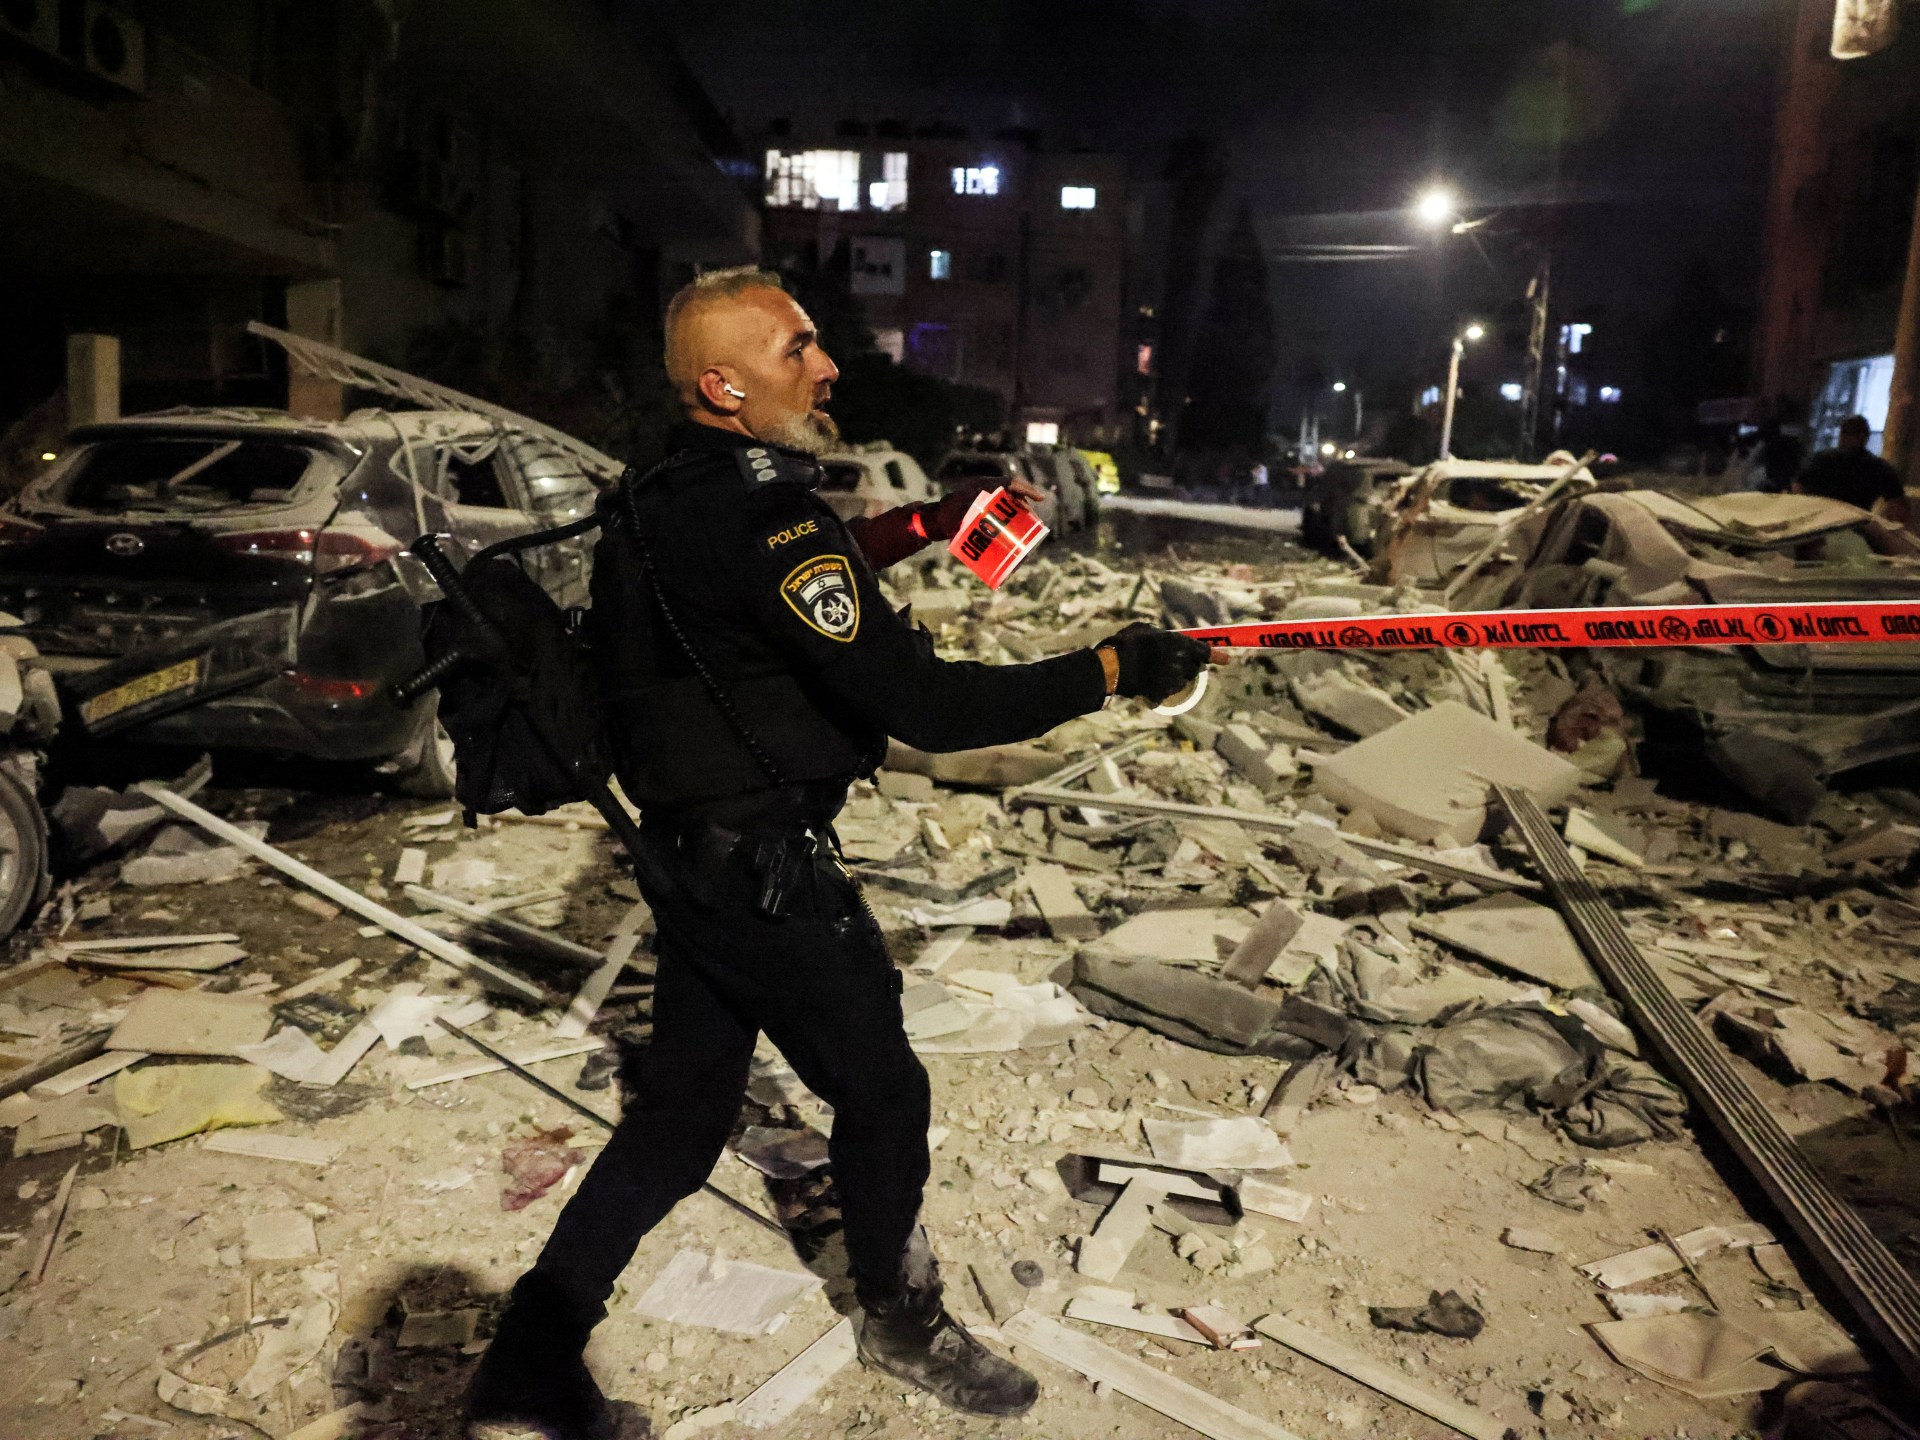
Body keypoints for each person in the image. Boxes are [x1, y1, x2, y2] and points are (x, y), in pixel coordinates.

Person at [464, 267, 1209, 1440]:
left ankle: (526, 1360)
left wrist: (923, 525)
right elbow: (930, 706)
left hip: (686, 861)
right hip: (768, 876)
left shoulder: (657, 497)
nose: (826, 368)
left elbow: (775, 587)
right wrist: (1114, 668)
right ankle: (902, 1323)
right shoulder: (769, 519)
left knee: (681, 1118)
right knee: (884, 1094)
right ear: (724, 384)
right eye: (796, 348)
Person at [1794, 414, 1911, 527]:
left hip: (1816, 525)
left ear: (1841, 434)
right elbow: (1899, 510)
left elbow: (1798, 487)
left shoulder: (1821, 459)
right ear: (1866, 437)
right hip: (1853, 527)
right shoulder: (1879, 468)